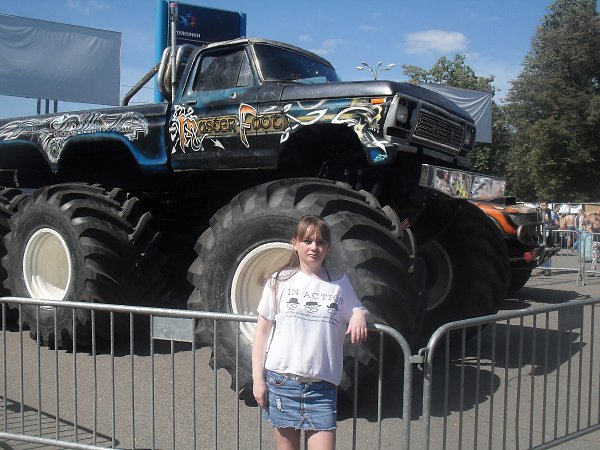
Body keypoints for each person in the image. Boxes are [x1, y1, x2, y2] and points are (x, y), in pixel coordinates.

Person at [252, 215, 369, 450]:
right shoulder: (279, 280)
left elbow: (356, 307)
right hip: (283, 383)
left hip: (322, 389)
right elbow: (261, 333)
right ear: (294, 244)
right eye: (307, 241)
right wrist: (258, 380)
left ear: (328, 247)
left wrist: (360, 313)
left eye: (320, 242)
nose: (314, 247)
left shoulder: (339, 283)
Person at [539, 202, 554, 276]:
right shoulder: (539, 212)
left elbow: (548, 220)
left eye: (544, 205)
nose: (542, 206)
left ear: (547, 206)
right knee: (541, 251)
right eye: (541, 205)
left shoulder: (549, 212)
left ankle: (548, 269)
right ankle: (542, 268)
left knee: (547, 251)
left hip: (547, 234)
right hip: (540, 233)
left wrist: (541, 215)